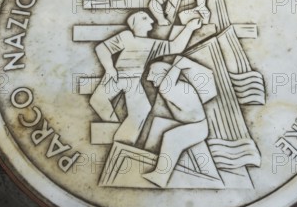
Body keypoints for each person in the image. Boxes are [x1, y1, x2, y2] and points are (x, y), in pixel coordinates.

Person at [89, 11, 202, 145]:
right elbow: (102, 48)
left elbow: (176, 46)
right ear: (136, 23)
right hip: (118, 76)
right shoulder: (127, 36)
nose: (151, 21)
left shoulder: (153, 44)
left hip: (134, 80)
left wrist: (189, 28)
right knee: (98, 101)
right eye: (145, 18)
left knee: (142, 109)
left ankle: (123, 143)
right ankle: (115, 130)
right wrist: (109, 69)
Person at [142, 57, 217, 188]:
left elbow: (167, 85)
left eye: (152, 72)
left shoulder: (170, 89)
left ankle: (160, 177)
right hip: (189, 124)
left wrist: (177, 66)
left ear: (165, 74)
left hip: (197, 128)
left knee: (171, 138)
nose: (149, 78)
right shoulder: (173, 87)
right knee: (158, 124)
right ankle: (147, 160)